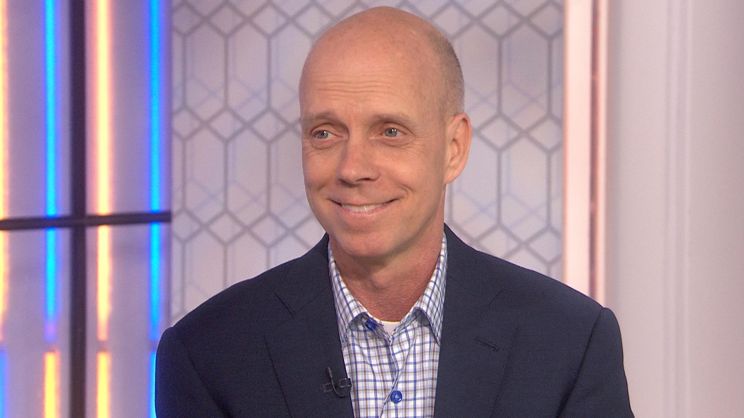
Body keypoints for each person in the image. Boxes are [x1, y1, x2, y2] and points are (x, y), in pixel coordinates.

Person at [156, 7, 633, 417]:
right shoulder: (208, 353)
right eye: (325, 132)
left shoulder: (570, 342)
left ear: (454, 148)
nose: (353, 168)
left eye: (390, 132)